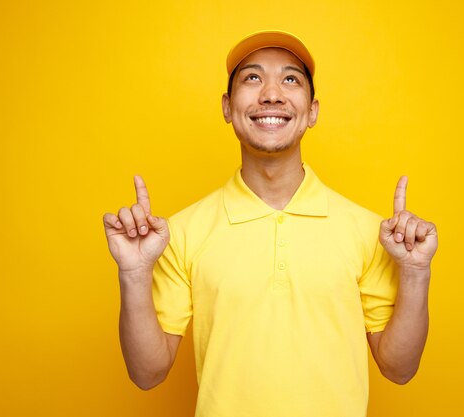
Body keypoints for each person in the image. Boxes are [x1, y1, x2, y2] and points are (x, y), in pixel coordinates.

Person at [103, 30, 438, 417]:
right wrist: (133, 273)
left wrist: (415, 271)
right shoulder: (180, 232)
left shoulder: (367, 231)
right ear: (227, 107)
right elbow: (147, 373)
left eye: (291, 79)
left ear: (312, 111)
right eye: (253, 78)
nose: (272, 94)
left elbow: (399, 369)